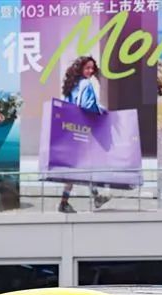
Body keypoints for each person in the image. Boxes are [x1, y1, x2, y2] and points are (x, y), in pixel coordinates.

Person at [58, 56, 110, 213]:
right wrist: (102, 111)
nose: (90, 71)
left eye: (92, 68)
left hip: (71, 129)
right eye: (87, 68)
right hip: (83, 129)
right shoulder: (86, 84)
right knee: (81, 165)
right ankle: (65, 202)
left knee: (82, 165)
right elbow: (88, 106)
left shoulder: (71, 85)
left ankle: (94, 197)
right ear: (80, 68)